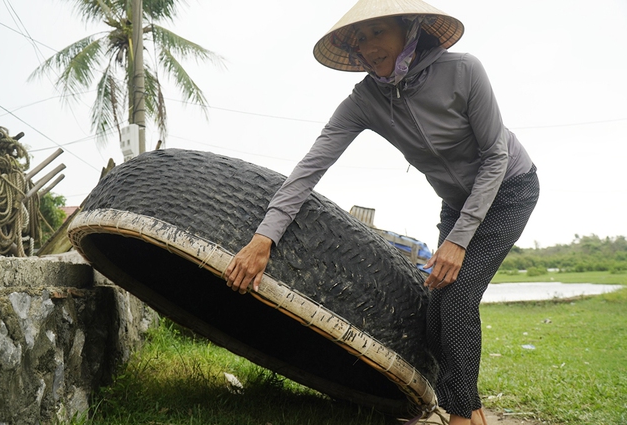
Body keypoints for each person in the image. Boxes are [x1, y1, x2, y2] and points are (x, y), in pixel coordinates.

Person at [224, 0, 539, 424]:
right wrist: (264, 238)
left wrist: (459, 241)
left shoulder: (464, 70)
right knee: (433, 314)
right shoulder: (365, 100)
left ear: (409, 29)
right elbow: (310, 168)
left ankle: (462, 416)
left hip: (509, 188)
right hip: (455, 202)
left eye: (377, 33)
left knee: (460, 297)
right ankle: (474, 409)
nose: (367, 47)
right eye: (359, 39)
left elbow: (495, 156)